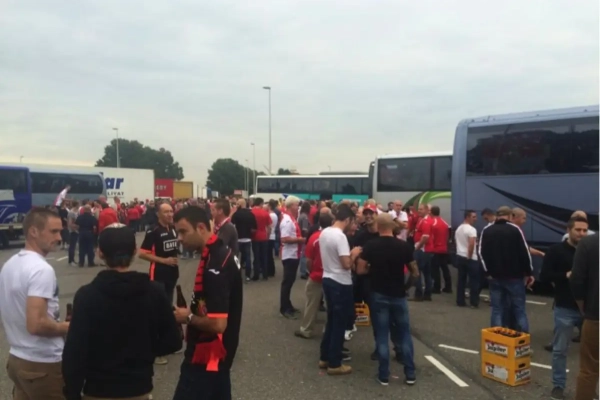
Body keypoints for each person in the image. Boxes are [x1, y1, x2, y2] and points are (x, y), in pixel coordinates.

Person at [62, 223, 181, 400]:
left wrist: (72, 392)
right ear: (134, 251)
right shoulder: (154, 291)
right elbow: (173, 341)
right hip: (139, 387)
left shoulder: (87, 295)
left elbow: (75, 351)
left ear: (100, 253)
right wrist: (144, 352)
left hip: (97, 389)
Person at [172, 206, 243, 400]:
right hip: (214, 355)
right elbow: (205, 297)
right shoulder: (214, 253)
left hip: (208, 354)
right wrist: (193, 311)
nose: (179, 238)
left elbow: (218, 324)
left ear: (201, 228)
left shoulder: (216, 264)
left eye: (183, 231)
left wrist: (187, 317)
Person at [0, 208, 69, 399]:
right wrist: (68, 327)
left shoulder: (11, 264)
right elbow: (36, 324)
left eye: (60, 231)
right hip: (42, 363)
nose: (59, 237)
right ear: (33, 231)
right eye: (53, 231)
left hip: (17, 357)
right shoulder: (41, 269)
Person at [357, 213, 417, 386]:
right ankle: (410, 373)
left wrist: (373, 269)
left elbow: (360, 270)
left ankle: (384, 375)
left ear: (378, 227)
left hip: (378, 293)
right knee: (404, 333)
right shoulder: (404, 246)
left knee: (382, 334)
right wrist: (406, 287)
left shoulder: (371, 246)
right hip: (398, 294)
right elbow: (415, 272)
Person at [539, 216, 588, 400]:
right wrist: (565, 275)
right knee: (560, 350)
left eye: (585, 230)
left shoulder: (591, 250)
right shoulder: (556, 250)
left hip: (590, 310)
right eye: (578, 230)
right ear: (568, 230)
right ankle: (558, 386)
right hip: (565, 308)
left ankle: (588, 387)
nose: (582, 234)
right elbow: (544, 276)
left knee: (591, 352)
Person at [318, 204, 361, 376]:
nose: (353, 226)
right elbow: (346, 264)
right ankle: (335, 363)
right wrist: (354, 253)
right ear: (348, 219)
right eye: (353, 222)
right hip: (340, 282)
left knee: (331, 320)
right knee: (339, 323)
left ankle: (325, 356)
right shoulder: (340, 237)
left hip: (327, 278)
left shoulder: (325, 232)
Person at [478, 206, 533, 332]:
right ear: (510, 216)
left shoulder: (487, 230)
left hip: (495, 277)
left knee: (497, 309)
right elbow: (524, 253)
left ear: (497, 216)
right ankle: (523, 338)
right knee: (519, 309)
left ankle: (497, 338)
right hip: (514, 277)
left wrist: (487, 272)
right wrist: (529, 273)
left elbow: (481, 253)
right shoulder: (515, 229)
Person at [138, 202, 179, 366]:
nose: (170, 214)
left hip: (172, 275)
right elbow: (142, 254)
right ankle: (156, 351)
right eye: (166, 212)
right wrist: (163, 260)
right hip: (158, 275)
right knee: (157, 312)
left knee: (168, 309)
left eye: (171, 211)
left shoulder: (173, 229)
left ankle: (168, 344)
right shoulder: (153, 231)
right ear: (158, 214)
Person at [295, 212, 333, 339]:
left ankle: (306, 329)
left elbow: (308, 260)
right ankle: (329, 330)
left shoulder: (314, 237)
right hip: (332, 275)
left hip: (316, 274)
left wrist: (311, 271)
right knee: (331, 305)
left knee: (311, 303)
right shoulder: (337, 237)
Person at [570, 234, 599, 400]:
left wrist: (583, 308)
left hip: (595, 316)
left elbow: (576, 280)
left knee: (589, 369)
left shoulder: (589, 243)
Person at [279, 196, 304, 319]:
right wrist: (300, 240)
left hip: (293, 254)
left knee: (290, 281)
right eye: (296, 205)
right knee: (287, 282)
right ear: (290, 206)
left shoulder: (291, 218)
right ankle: (284, 308)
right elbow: (284, 239)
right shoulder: (287, 221)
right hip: (290, 255)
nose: (298, 207)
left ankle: (288, 305)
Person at [455, 210, 480, 308]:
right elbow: (471, 244)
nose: (476, 219)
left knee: (461, 279)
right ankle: (474, 302)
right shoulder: (472, 229)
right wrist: (469, 256)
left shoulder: (459, 228)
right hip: (470, 257)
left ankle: (460, 301)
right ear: (467, 217)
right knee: (474, 281)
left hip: (460, 255)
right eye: (473, 217)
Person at [231, 199, 257, 281]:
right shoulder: (251, 214)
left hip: (238, 239)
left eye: (237, 203)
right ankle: (247, 275)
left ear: (240, 204)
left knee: (236, 257)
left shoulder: (236, 214)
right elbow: (254, 228)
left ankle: (236, 273)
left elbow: (232, 226)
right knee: (248, 258)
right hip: (247, 239)